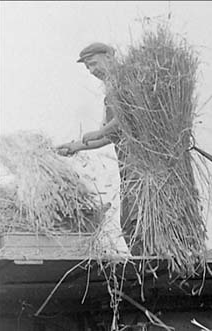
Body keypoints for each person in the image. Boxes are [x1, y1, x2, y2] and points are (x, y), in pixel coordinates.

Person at [57, 42, 138, 252]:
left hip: (143, 161)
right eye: (88, 68)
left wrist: (101, 131)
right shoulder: (111, 90)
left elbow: (130, 116)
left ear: (109, 56)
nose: (92, 72)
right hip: (127, 163)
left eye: (93, 64)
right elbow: (114, 134)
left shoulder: (128, 80)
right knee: (130, 217)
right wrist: (76, 146)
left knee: (138, 215)